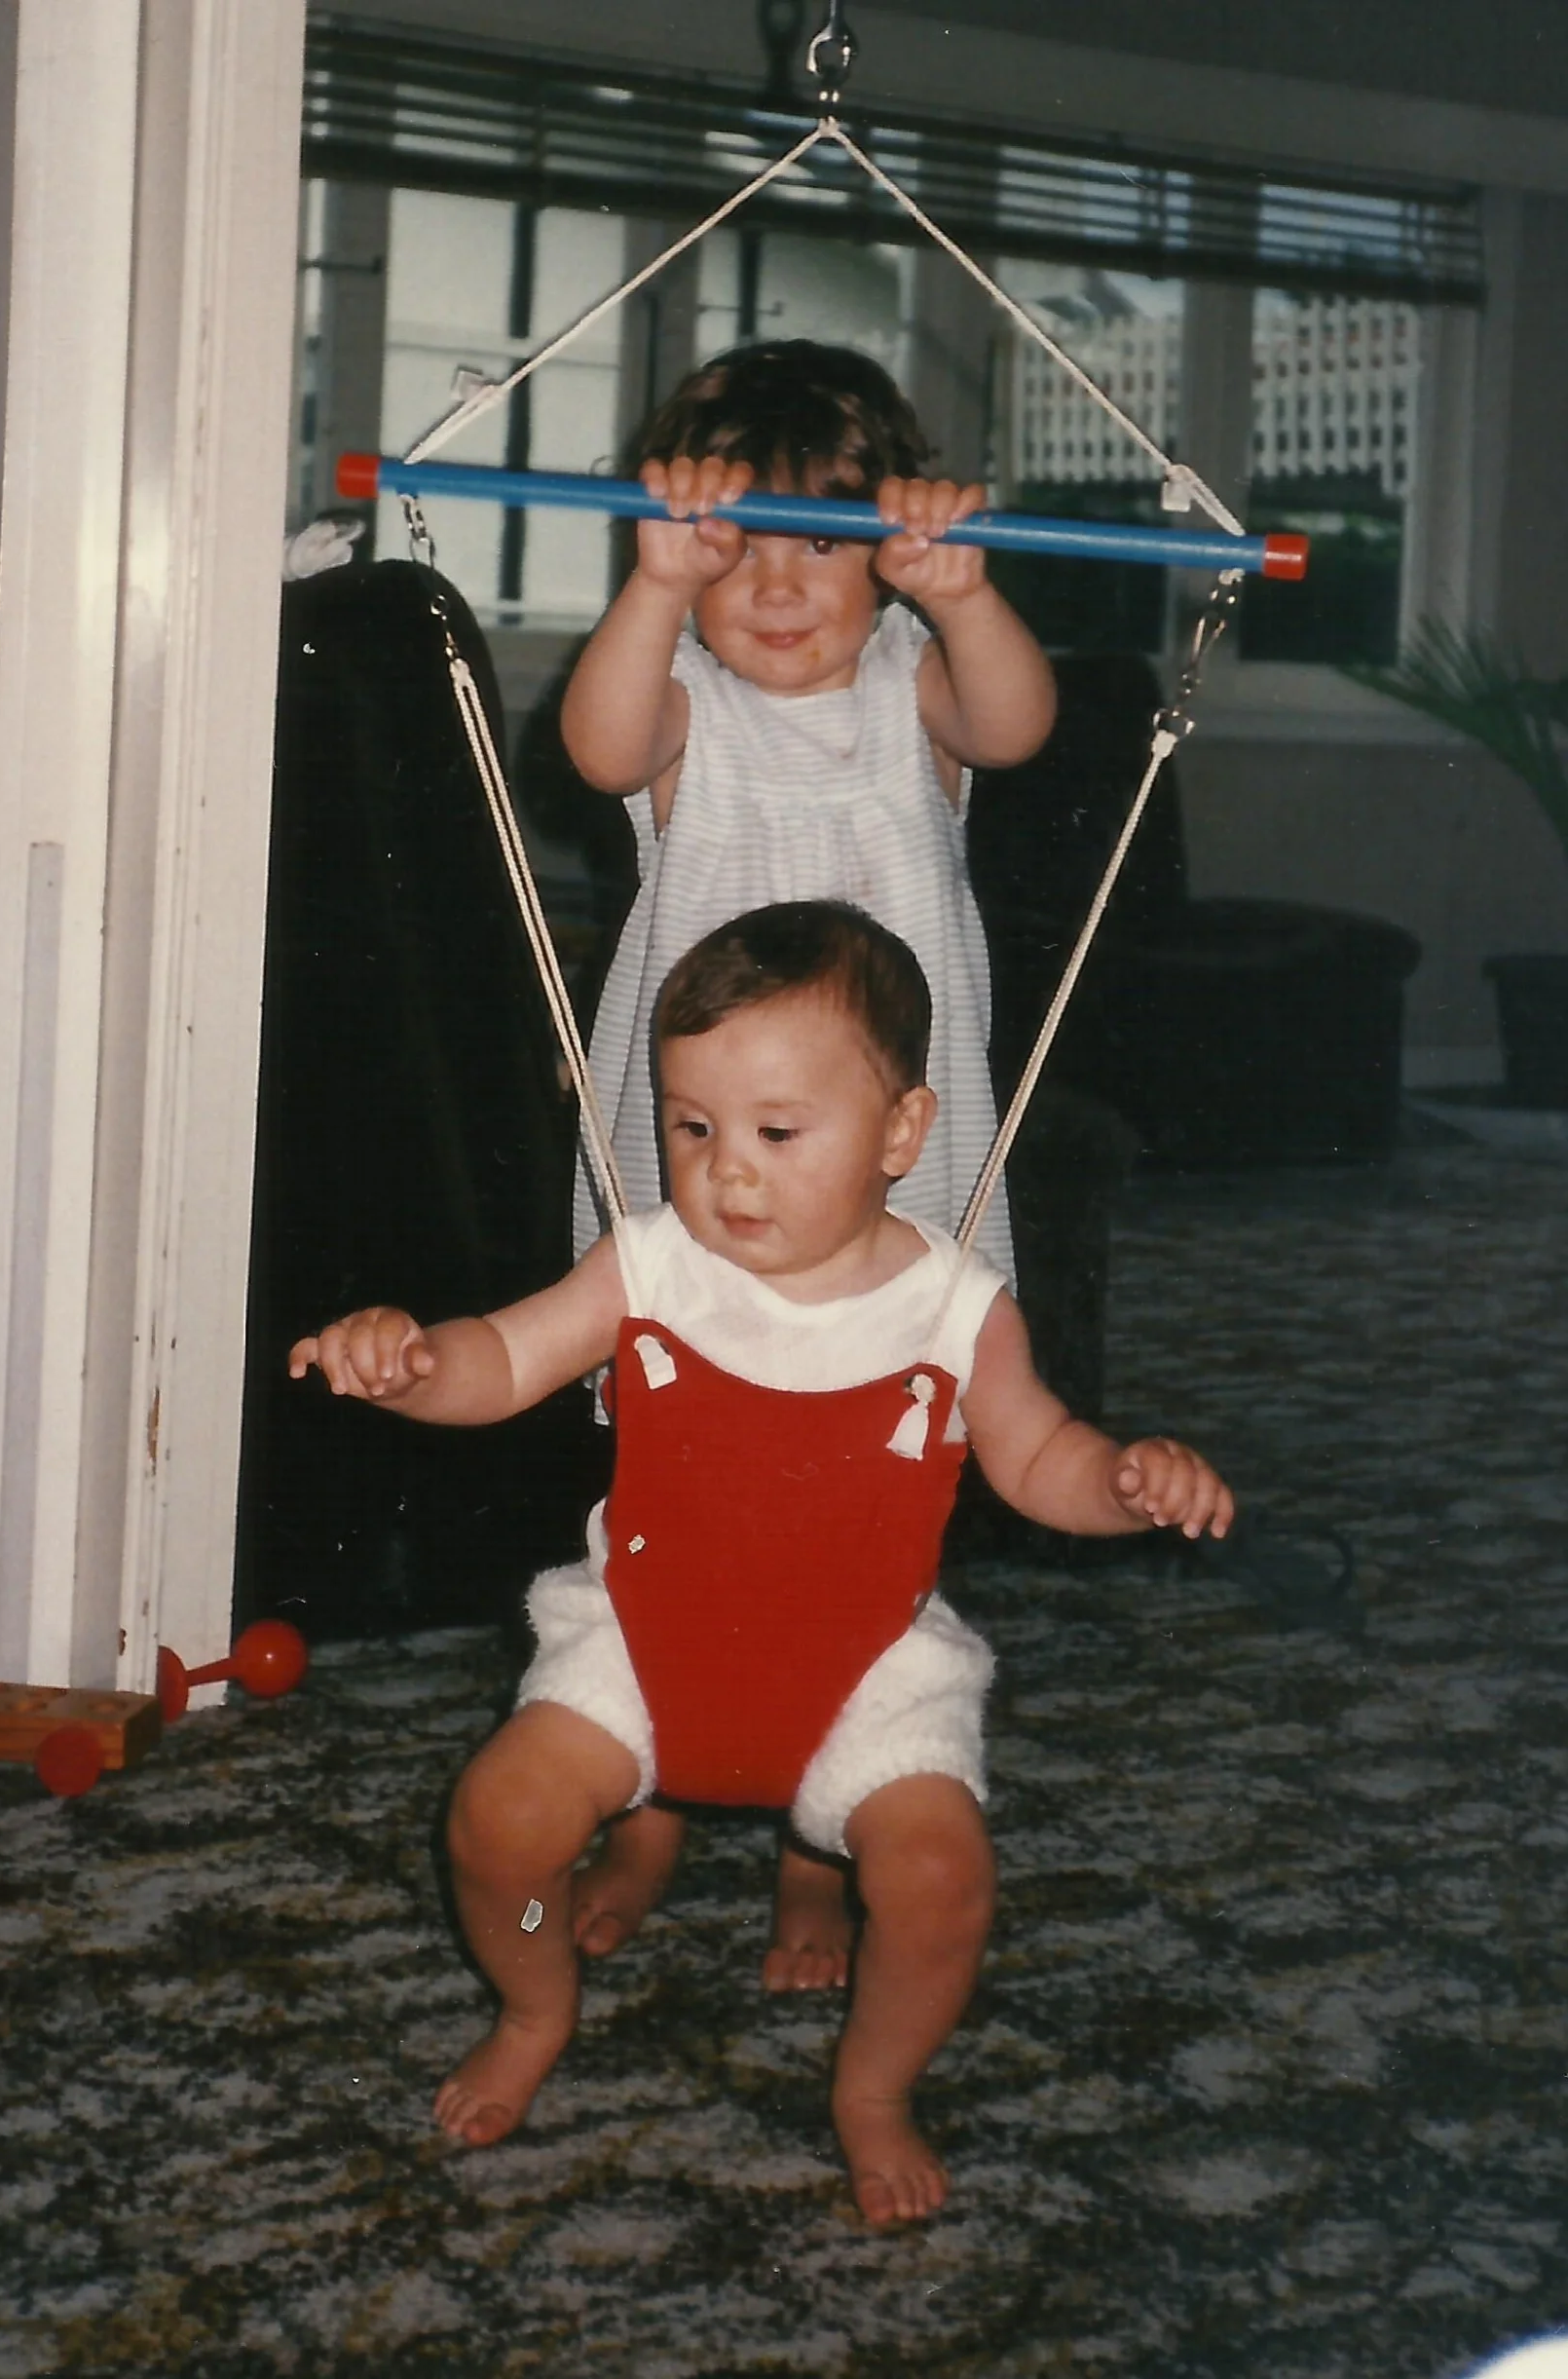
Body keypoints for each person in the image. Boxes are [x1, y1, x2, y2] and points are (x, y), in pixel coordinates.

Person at [290, 901, 1233, 2228]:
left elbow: (1039, 1461)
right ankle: (534, 2004)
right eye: (690, 1127)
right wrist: (409, 1362)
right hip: (645, 1629)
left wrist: (1127, 1483)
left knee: (939, 1872)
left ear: (902, 1134)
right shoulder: (649, 1266)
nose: (727, 1173)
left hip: (863, 1668)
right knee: (498, 1817)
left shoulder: (959, 1309)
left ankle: (873, 2086)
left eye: (776, 1133)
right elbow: (499, 1360)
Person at [558, 339, 1059, 1979]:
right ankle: (644, 1786)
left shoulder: (914, 678)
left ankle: (819, 1834)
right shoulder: (682, 696)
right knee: (682, 1482)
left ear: (887, 565)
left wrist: (964, 591)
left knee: (865, 1488)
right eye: (738, 551)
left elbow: (1021, 721)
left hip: (895, 1168)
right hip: (700, 1174)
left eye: (826, 547)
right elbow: (596, 751)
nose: (778, 588)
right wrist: (651, 584)